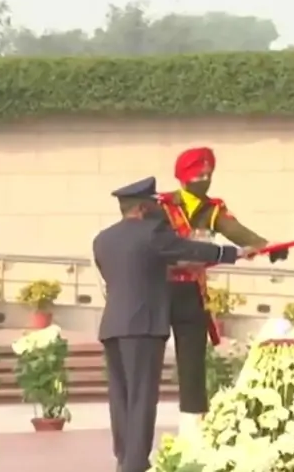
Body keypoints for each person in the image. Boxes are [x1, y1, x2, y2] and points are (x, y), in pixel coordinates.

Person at [93, 176, 254, 472]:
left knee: (121, 396)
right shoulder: (151, 232)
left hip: (113, 325)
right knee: (142, 396)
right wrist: (234, 253)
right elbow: (189, 249)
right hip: (143, 326)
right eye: (153, 205)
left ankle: (123, 458)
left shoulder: (103, 238)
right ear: (142, 208)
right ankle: (136, 464)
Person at [156, 146, 289, 440]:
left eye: (208, 174)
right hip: (157, 289)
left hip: (190, 289)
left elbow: (237, 232)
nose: (204, 178)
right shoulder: (162, 206)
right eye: (198, 174)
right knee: (150, 358)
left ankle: (191, 428)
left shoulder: (213, 209)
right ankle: (140, 422)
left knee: (192, 360)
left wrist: (267, 246)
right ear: (183, 177)